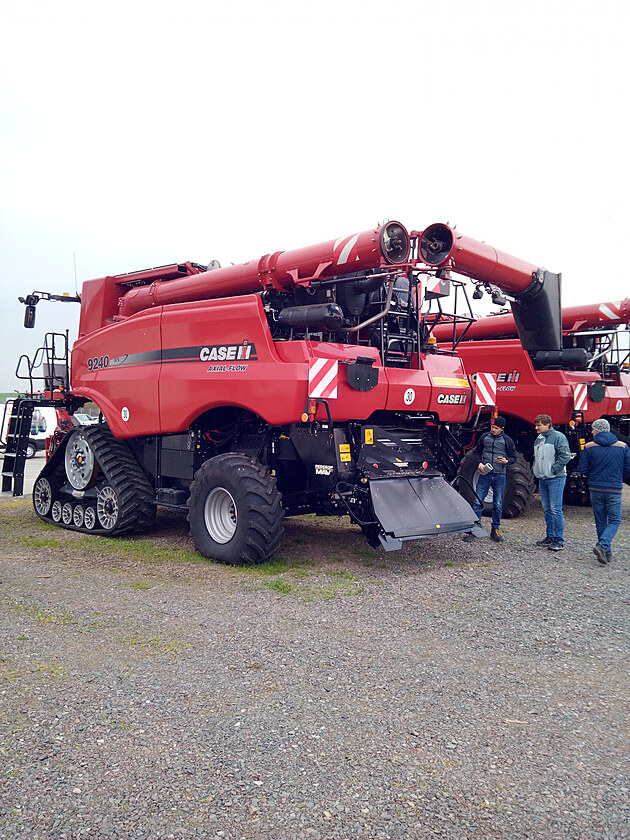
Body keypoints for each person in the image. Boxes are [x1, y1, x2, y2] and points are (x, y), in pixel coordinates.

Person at [578, 417, 630, 564]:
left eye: (593, 428)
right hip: (614, 488)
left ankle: (606, 551)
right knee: (615, 520)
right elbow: (628, 468)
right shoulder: (622, 446)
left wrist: (593, 477)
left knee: (601, 520)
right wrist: (618, 478)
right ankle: (603, 546)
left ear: (598, 429)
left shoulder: (589, 447)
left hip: (595, 487)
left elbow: (583, 469)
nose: (592, 431)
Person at [463, 415, 516, 543]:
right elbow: (476, 451)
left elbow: (514, 457)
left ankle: (495, 530)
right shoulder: (484, 438)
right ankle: (475, 529)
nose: (493, 430)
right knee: (478, 501)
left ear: (502, 429)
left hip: (500, 475)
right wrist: (479, 463)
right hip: (485, 474)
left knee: (497, 504)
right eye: (492, 427)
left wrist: (506, 461)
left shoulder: (507, 441)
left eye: (496, 428)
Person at [532, 414, 572, 551]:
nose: (536, 428)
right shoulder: (539, 439)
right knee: (548, 509)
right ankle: (550, 536)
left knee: (555, 509)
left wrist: (554, 470)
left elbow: (565, 456)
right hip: (543, 478)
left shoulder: (558, 437)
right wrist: (536, 470)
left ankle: (559, 539)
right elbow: (536, 458)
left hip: (555, 478)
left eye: (539, 425)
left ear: (548, 424)